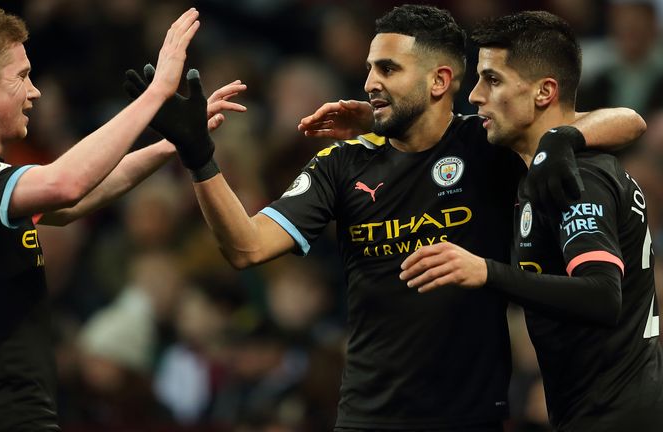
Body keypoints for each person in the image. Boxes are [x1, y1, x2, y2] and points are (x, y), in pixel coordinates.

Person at [141, 5, 645, 431]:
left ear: (439, 81)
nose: (368, 83)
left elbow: (625, 120)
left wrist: (563, 140)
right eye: (369, 69)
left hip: (472, 416)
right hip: (369, 415)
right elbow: (246, 247)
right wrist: (199, 157)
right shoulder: (342, 163)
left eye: (387, 69)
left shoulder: (487, 144)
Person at [0, 5, 246, 431]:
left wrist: (173, 143)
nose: (35, 92)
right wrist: (156, 92)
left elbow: (70, 202)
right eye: (21, 75)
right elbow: (63, 184)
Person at [399, 11, 663, 431]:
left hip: (615, 418)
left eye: (494, 79)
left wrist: (485, 272)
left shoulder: (578, 179)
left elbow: (601, 295)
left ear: (544, 92)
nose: (475, 95)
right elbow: (628, 119)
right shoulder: (543, 167)